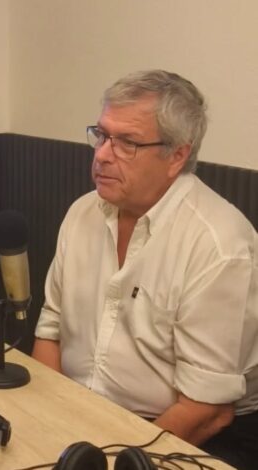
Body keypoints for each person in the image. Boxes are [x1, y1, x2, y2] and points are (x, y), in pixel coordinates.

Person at [32, 70, 257, 468]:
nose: (102, 154)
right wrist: (51, 424)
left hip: (188, 438)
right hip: (81, 421)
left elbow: (207, 410)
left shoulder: (219, 244)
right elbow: (50, 332)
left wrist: (112, 459)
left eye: (127, 143)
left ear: (177, 156)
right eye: (102, 135)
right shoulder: (82, 213)